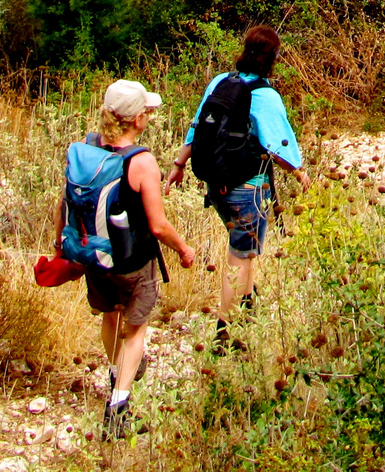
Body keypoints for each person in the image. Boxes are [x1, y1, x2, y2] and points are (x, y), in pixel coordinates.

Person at [58, 79, 196, 439]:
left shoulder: (84, 150)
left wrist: (60, 246)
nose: (150, 117)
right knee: (135, 331)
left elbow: (63, 205)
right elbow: (158, 224)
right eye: (147, 112)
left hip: (94, 258)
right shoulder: (141, 161)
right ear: (136, 120)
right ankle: (118, 407)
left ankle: (119, 372)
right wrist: (183, 249)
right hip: (132, 261)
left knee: (111, 316)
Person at [164, 25, 309, 346]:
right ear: (274, 58)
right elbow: (278, 146)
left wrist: (178, 165)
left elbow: (198, 125)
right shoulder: (266, 95)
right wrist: (300, 174)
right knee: (239, 257)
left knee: (244, 250)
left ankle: (247, 305)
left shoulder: (220, 82)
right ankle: (224, 332)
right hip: (249, 188)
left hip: (217, 185)